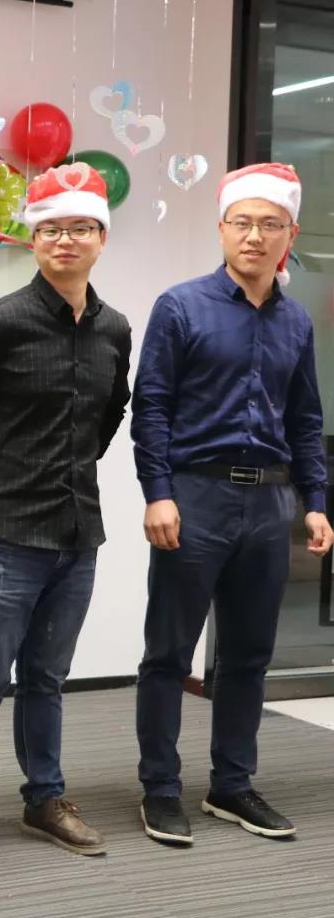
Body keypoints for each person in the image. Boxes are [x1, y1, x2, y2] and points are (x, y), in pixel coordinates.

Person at [0, 165, 131, 870]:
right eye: (51, 229)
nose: (65, 240)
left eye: (80, 228)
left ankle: (45, 798)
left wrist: (74, 465)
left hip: (79, 534)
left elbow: (113, 409)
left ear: (101, 237)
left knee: (47, 678)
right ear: (34, 240)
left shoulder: (114, 328)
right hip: (9, 534)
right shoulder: (3, 319)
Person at [133, 163, 334, 846]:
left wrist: (315, 500)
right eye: (242, 222)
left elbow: (305, 417)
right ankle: (161, 788)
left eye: (270, 224)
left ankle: (232, 783)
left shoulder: (296, 321)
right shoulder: (181, 307)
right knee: (169, 652)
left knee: (249, 655)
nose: (255, 236)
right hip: (195, 496)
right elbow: (151, 407)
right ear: (222, 229)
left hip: (269, 501)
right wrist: (158, 492)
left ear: (289, 236)